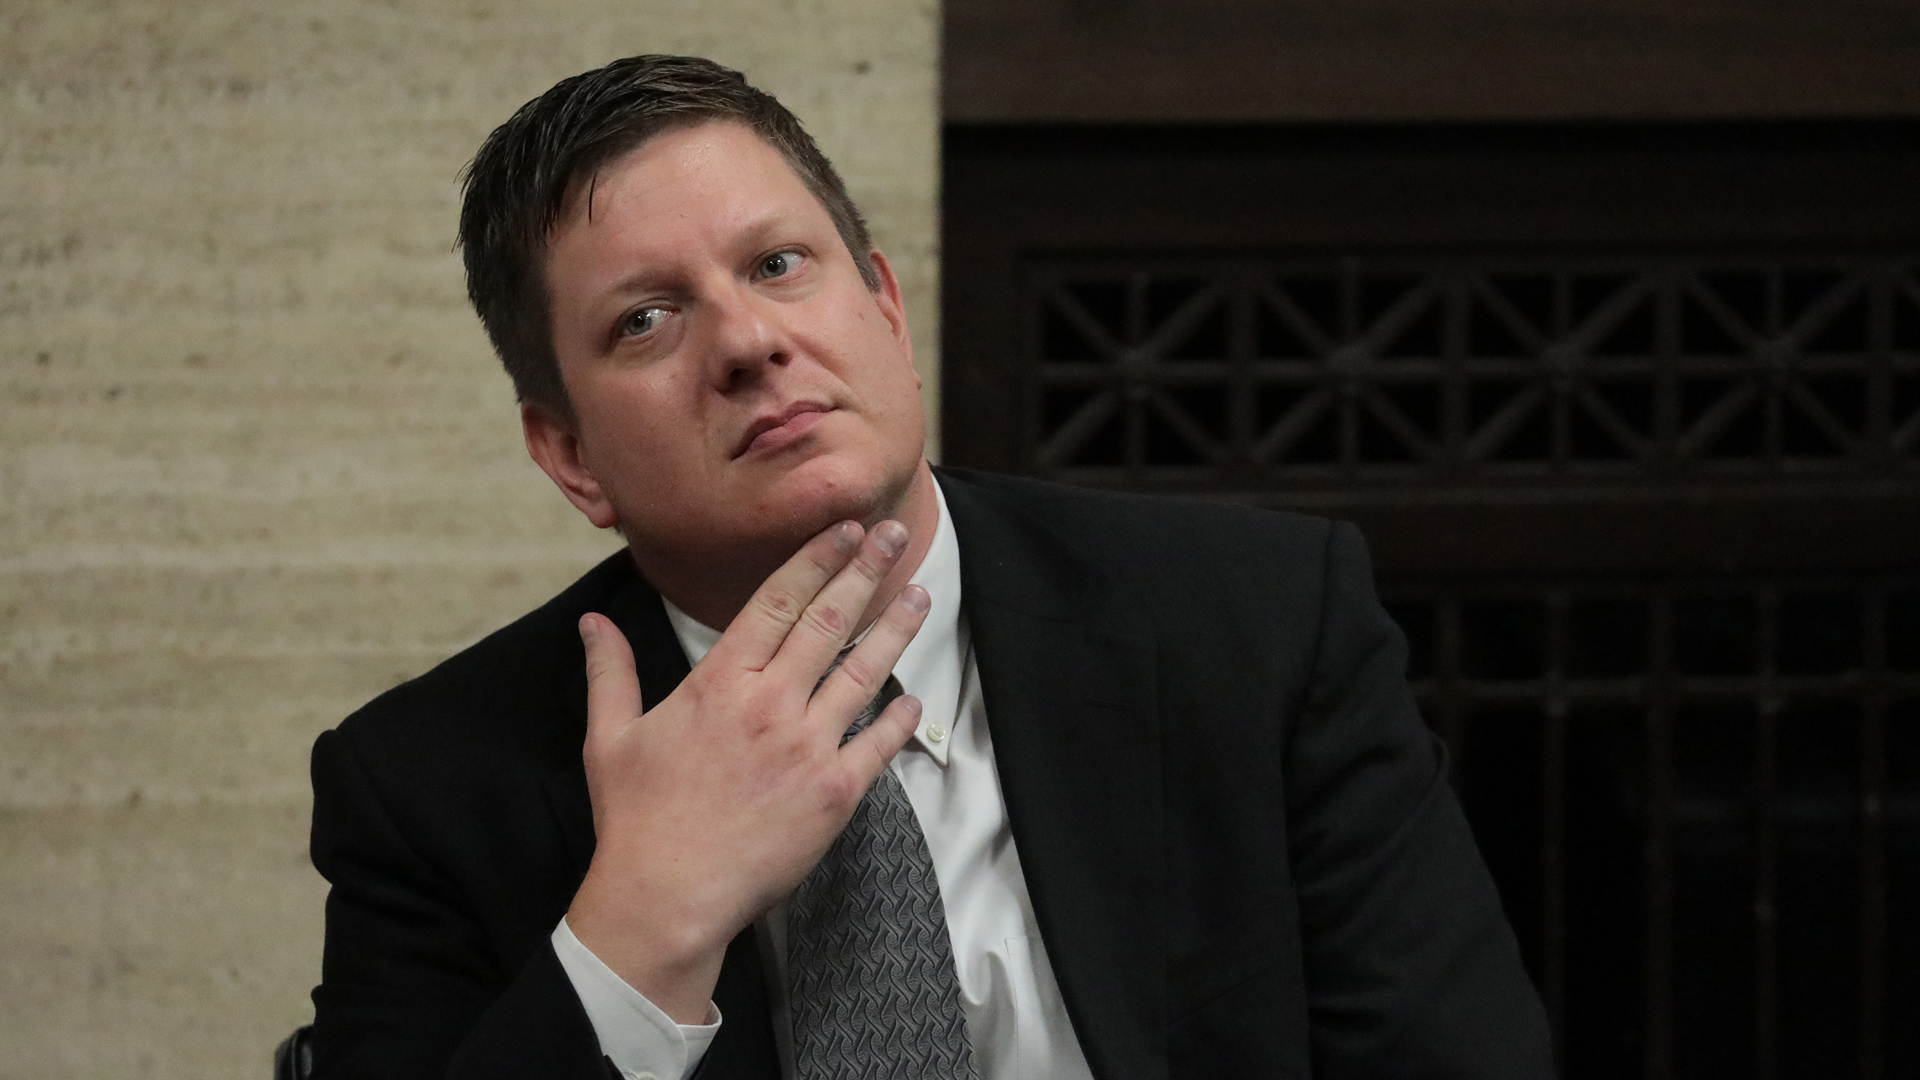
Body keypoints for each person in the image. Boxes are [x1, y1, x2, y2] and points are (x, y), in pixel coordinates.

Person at [306, 55, 1554, 1080]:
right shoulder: (427, 785)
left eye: (779, 265)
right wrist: (644, 921)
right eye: (647, 319)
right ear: (572, 456)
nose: (748, 342)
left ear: (889, 312)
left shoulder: (1256, 624)